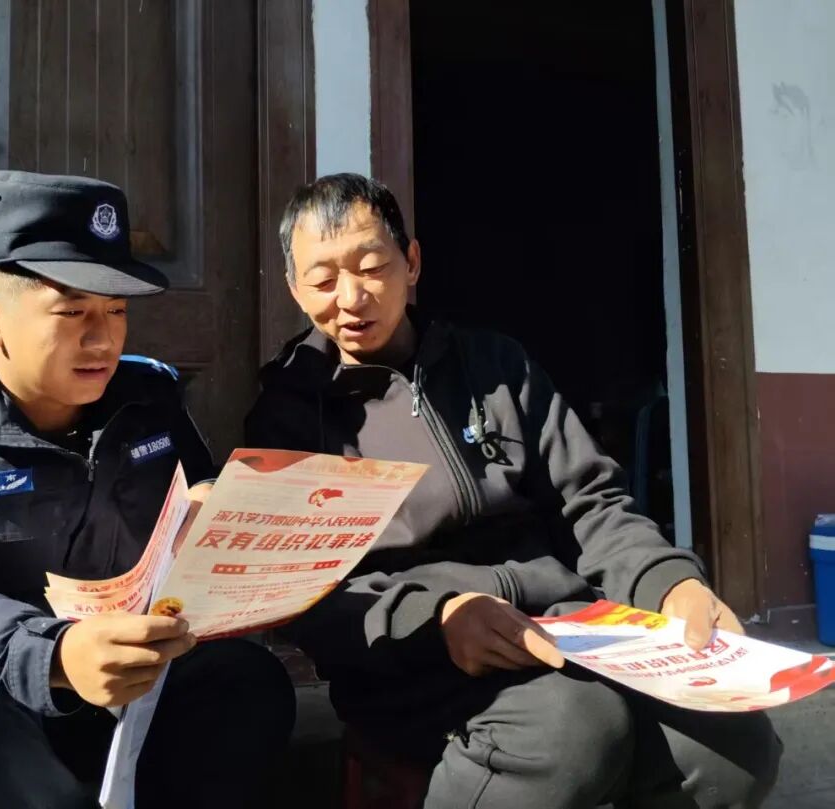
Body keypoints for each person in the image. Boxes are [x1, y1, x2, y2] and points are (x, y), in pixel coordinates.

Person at [245, 173, 781, 809]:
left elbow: (592, 502)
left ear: (411, 262)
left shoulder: (496, 367)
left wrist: (669, 582)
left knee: (733, 742)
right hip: (413, 662)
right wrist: (436, 619)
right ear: (294, 289)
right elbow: (301, 591)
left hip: (566, 625)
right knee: (572, 729)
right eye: (323, 280)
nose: (352, 297)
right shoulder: (290, 414)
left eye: (372, 267)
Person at [0, 170, 294, 809]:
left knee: (246, 683)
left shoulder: (148, 395)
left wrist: (209, 508)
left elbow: (195, 483)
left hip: (130, 670)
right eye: (72, 312)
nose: (102, 339)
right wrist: (55, 656)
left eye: (116, 311)